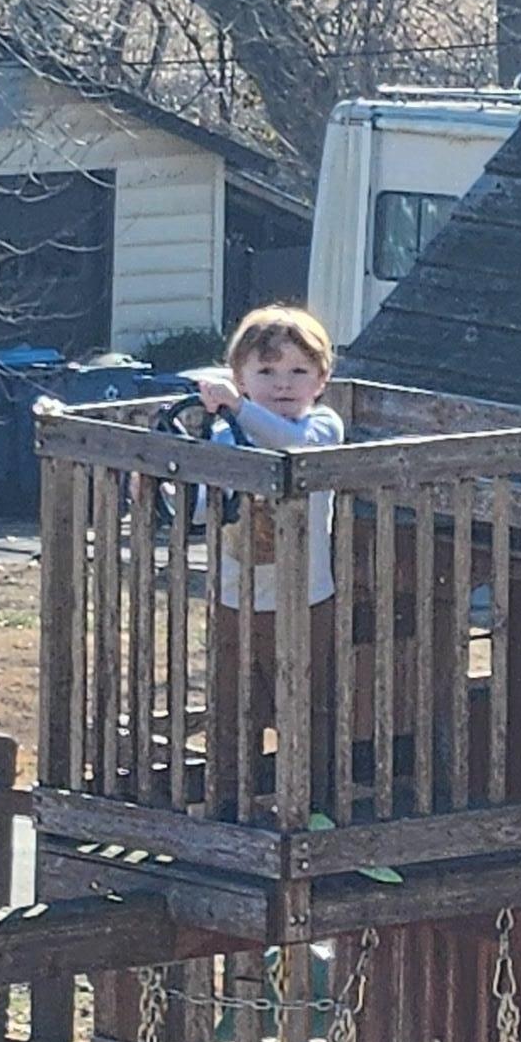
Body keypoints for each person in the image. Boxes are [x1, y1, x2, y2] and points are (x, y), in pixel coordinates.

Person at [198, 305, 346, 812]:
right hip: (235, 599)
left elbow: (294, 446)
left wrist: (239, 407)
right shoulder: (224, 434)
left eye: (299, 371)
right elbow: (205, 504)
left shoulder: (322, 425)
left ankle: (311, 805)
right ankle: (230, 805)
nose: (283, 383)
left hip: (305, 601)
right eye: (266, 371)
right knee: (232, 710)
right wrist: (157, 492)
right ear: (239, 376)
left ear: (321, 381)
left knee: (307, 709)